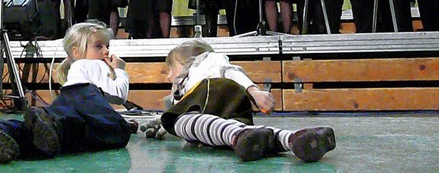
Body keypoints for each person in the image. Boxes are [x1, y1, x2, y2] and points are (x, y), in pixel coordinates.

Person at [0, 21, 132, 163]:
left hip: (64, 101)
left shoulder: (77, 69)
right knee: (118, 130)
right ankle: (54, 122)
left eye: (107, 46)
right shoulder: (93, 63)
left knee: (58, 137)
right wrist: (120, 70)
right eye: (98, 46)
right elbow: (118, 94)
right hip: (86, 95)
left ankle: (4, 130)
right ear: (77, 52)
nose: (106, 51)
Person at [142, 39, 336, 162]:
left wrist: (254, 91)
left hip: (211, 92)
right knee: (236, 130)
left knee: (180, 121)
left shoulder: (204, 61)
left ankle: (237, 136)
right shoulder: (186, 89)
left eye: (170, 69)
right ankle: (294, 139)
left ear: (187, 62)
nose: (168, 77)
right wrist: (161, 123)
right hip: (229, 106)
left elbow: (231, 71)